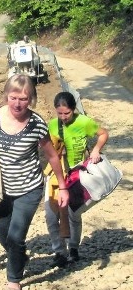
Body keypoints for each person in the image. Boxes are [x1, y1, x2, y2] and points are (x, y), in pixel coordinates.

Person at [0, 75, 68, 290]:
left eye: (23, 98)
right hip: (0, 189)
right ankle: (19, 256)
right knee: (4, 236)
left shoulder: (36, 124)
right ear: (6, 96)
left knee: (15, 236)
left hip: (28, 188)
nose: (17, 103)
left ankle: (14, 278)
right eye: (13, 98)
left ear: (31, 99)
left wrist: (63, 186)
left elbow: (51, 156)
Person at [45, 91, 109, 267]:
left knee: (74, 213)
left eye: (67, 113)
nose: (64, 117)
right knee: (51, 214)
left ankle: (73, 248)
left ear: (73, 109)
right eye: (60, 113)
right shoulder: (51, 125)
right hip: (56, 174)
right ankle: (59, 251)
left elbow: (103, 134)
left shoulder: (84, 122)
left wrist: (96, 150)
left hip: (77, 173)